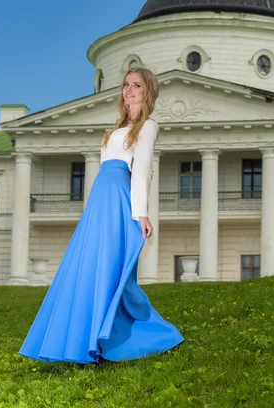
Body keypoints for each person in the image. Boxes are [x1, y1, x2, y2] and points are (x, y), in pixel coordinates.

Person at [19, 67, 185, 364]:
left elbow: (142, 170)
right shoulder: (114, 130)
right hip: (99, 199)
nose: (129, 90)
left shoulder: (148, 126)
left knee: (113, 267)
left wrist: (141, 213)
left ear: (148, 91)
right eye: (125, 84)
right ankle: (89, 340)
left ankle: (151, 335)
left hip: (120, 199)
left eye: (136, 85)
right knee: (91, 266)